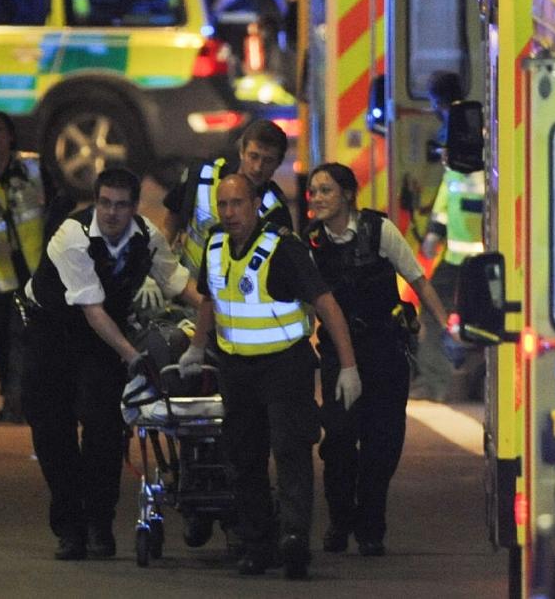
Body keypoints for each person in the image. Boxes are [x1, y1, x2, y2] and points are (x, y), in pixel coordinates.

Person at [177, 173, 361, 579]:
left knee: (291, 452)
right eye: (223, 205)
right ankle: (257, 543)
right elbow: (211, 299)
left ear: (255, 203)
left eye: (238, 204)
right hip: (236, 368)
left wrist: (348, 366)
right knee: (244, 458)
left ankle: (294, 540)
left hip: (284, 367)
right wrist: (196, 346)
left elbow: (327, 305)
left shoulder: (283, 248)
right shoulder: (215, 246)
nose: (230, 213)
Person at [21, 167, 201, 561]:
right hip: (52, 331)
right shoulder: (73, 235)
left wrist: (213, 316)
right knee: (54, 434)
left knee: (105, 430)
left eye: (121, 205)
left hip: (102, 337)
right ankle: (70, 527)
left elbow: (177, 282)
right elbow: (92, 310)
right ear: (96, 201)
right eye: (104, 203)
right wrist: (133, 356)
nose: (112, 213)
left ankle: (99, 524)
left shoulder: (146, 237)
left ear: (134, 208)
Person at [305, 162, 450, 556]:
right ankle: (339, 520)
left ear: (348, 195)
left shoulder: (378, 230)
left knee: (381, 443)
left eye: (326, 191)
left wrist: (446, 324)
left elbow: (418, 278)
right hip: (339, 354)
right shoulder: (311, 242)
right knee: (337, 439)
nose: (317, 198)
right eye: (313, 191)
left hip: (385, 349)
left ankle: (370, 527)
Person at [0, 110, 69, 424]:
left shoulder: (32, 167)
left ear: (11, 135)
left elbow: (61, 202)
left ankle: (18, 401)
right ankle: (9, 394)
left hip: (30, 267)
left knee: (24, 334)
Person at [415, 71, 483, 402]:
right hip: (470, 255)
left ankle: (436, 383)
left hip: (465, 256)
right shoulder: (471, 126)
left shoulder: (459, 133)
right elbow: (450, 191)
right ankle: (464, 381)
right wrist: (435, 231)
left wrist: (434, 235)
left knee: (433, 309)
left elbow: (457, 191)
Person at [163, 118, 291, 274]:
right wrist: (161, 267)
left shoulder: (275, 211)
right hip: (184, 285)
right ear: (241, 152)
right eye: (254, 156)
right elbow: (170, 223)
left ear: (278, 164)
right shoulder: (202, 176)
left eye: (268, 160)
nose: (258, 167)